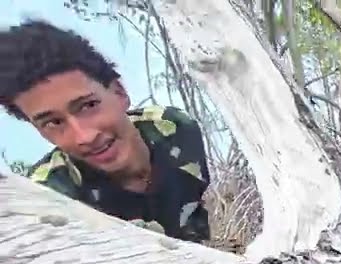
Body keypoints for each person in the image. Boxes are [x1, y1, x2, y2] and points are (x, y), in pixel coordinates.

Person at [1, 20, 212, 244]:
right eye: (54, 122)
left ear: (119, 92)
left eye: (88, 106)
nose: (85, 136)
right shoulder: (50, 200)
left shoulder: (174, 128)